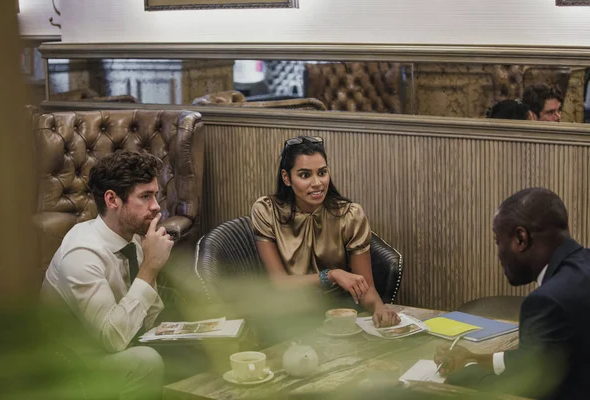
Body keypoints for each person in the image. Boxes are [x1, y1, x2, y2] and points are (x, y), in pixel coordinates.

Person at [41, 150, 174, 400]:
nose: (156, 207)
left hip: (116, 344)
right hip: (72, 364)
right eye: (145, 197)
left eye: (155, 195)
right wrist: (150, 268)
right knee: (146, 361)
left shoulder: (132, 238)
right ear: (112, 200)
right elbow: (111, 339)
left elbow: (148, 318)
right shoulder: (82, 253)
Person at [434, 187, 590, 399]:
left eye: (498, 241)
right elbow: (536, 357)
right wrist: (473, 357)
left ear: (520, 239)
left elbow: (523, 385)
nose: (498, 254)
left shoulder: (546, 302)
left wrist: (459, 379)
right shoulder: (583, 265)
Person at [251, 136, 400, 328]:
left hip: (339, 313)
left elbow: (366, 286)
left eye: (322, 172)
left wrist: (379, 308)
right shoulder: (267, 211)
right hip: (288, 315)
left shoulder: (350, 215)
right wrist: (330, 275)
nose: (317, 183)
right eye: (305, 175)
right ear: (287, 178)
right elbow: (279, 283)